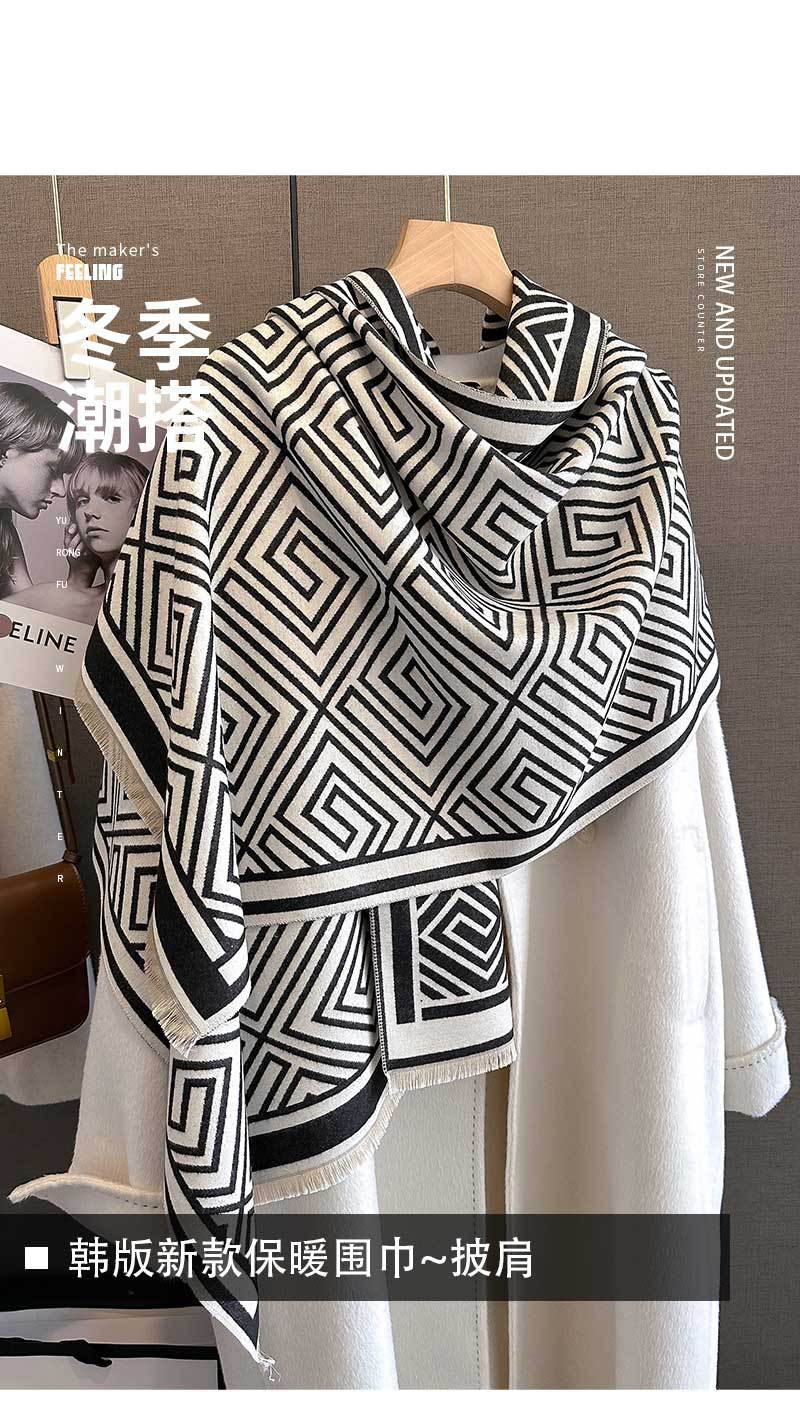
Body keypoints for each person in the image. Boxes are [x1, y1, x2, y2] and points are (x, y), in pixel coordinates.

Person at [4, 451, 148, 624]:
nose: (89, 512)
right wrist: (78, 580)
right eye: (82, 501)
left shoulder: (167, 603)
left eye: (112, 498)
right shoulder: (54, 599)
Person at [0, 381, 84, 599]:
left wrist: (79, 576)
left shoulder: (4, 532)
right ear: (6, 450)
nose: (62, 490)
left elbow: (26, 608)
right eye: (53, 470)